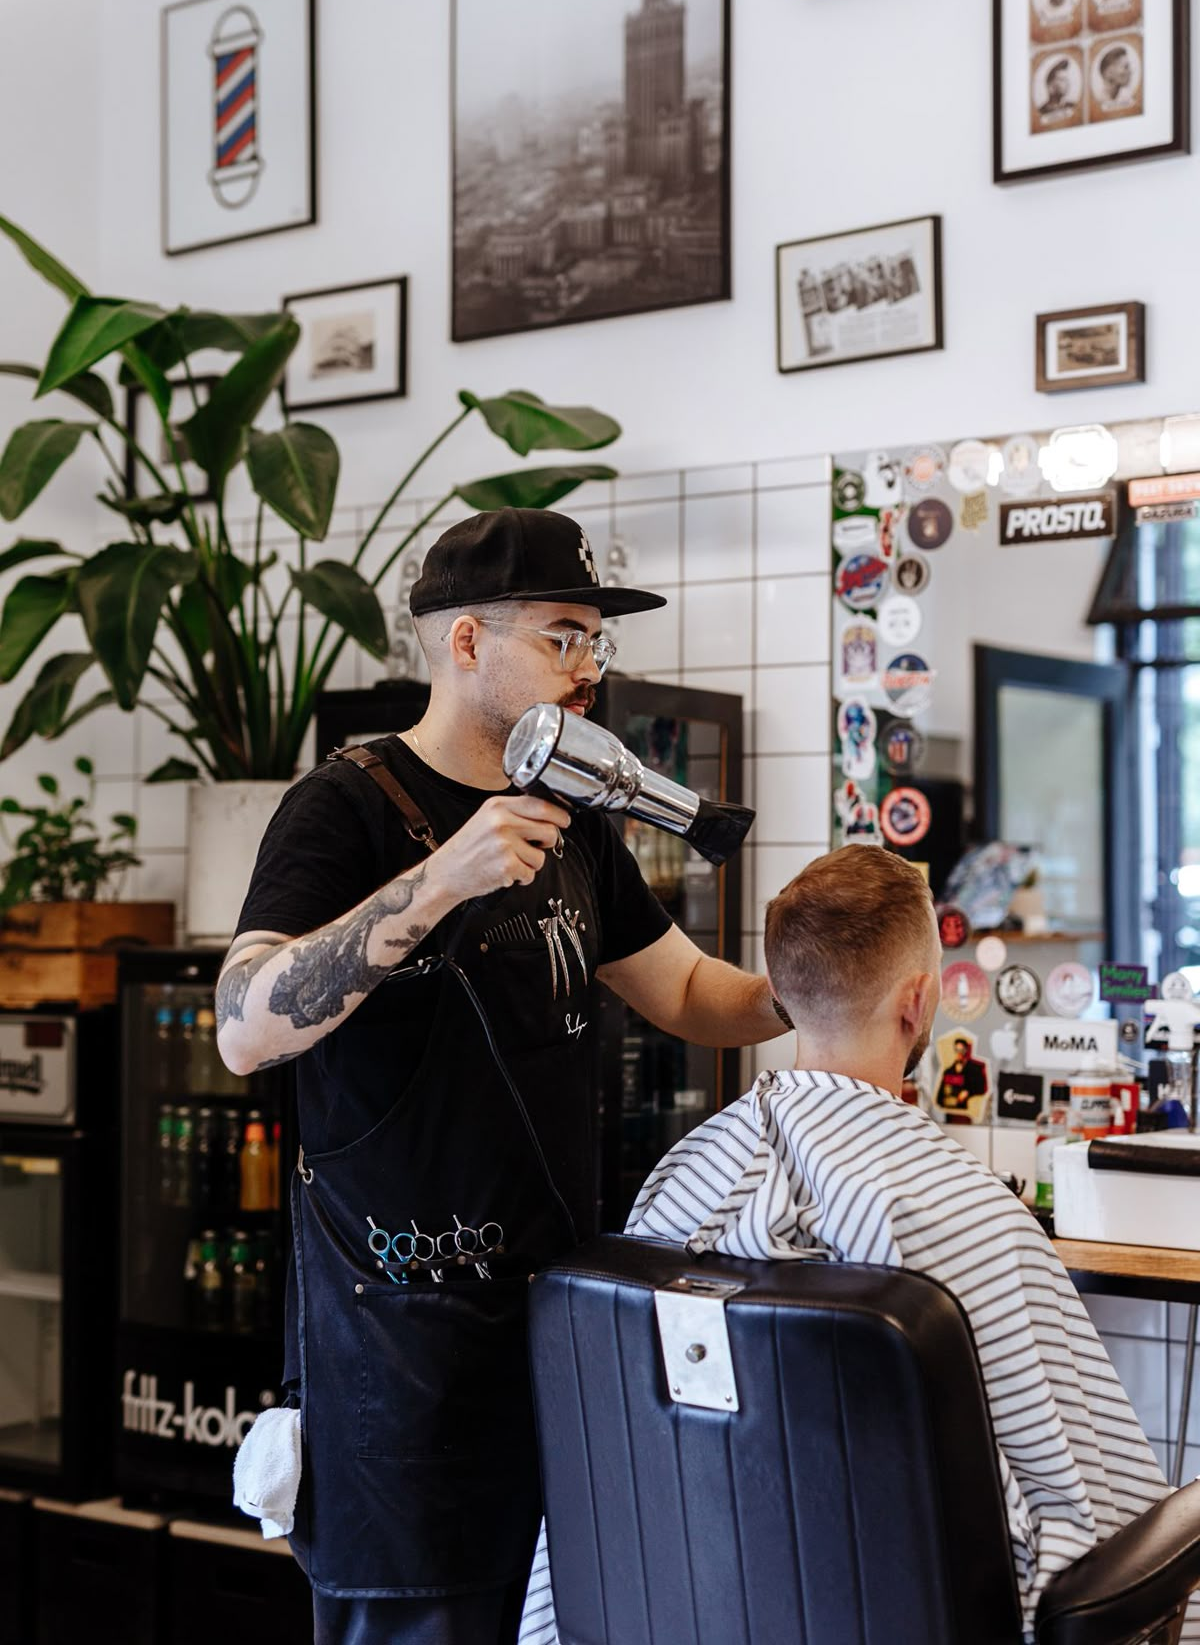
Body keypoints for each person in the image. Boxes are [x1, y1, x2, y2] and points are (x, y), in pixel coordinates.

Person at [216, 506, 785, 1645]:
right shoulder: (343, 806)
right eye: (564, 636)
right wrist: (440, 882)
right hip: (399, 1350)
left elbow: (686, 992)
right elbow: (245, 1026)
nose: (588, 668)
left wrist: (829, 987)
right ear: (467, 641)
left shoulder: (576, 822)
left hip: (549, 1324)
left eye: (596, 641)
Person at [519, 845, 1198, 1645]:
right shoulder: (963, 1212)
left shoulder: (683, 1181)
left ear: (781, 996)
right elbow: (1089, 1511)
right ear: (919, 1002)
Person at [935, 1026, 988, 1120]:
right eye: (957, 1050)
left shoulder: (975, 1069)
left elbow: (982, 1088)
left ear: (966, 1050)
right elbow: (939, 1097)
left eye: (962, 1050)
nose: (959, 1053)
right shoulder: (948, 1071)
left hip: (967, 1115)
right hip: (948, 1115)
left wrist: (968, 1092)